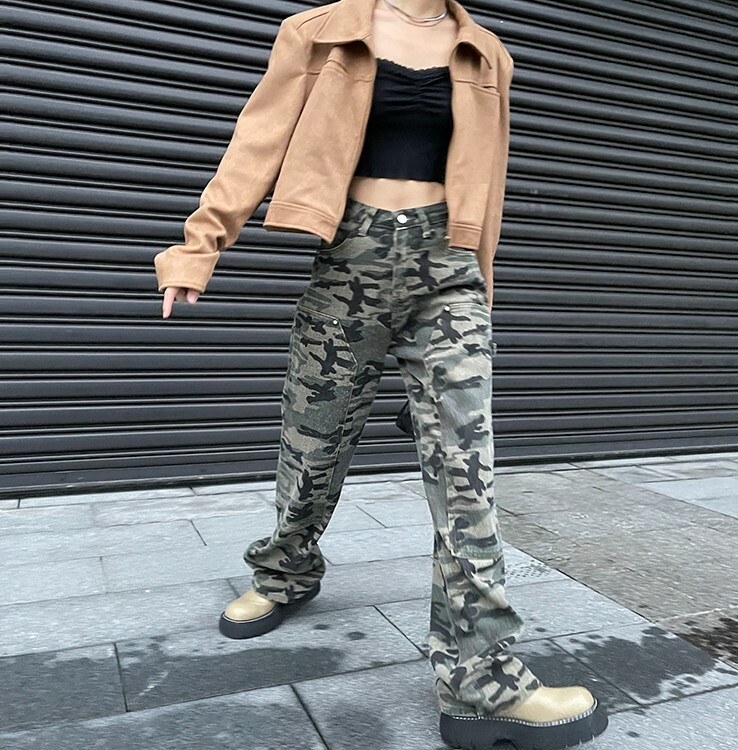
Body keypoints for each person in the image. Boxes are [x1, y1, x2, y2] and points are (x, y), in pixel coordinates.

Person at [153, 1, 609, 748]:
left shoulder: (486, 53)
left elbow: (487, 186)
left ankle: (481, 679)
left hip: (448, 269)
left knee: (466, 472)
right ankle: (286, 572)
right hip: (350, 260)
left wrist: (482, 295)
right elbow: (258, 138)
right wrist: (200, 245)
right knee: (313, 447)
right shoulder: (319, 32)